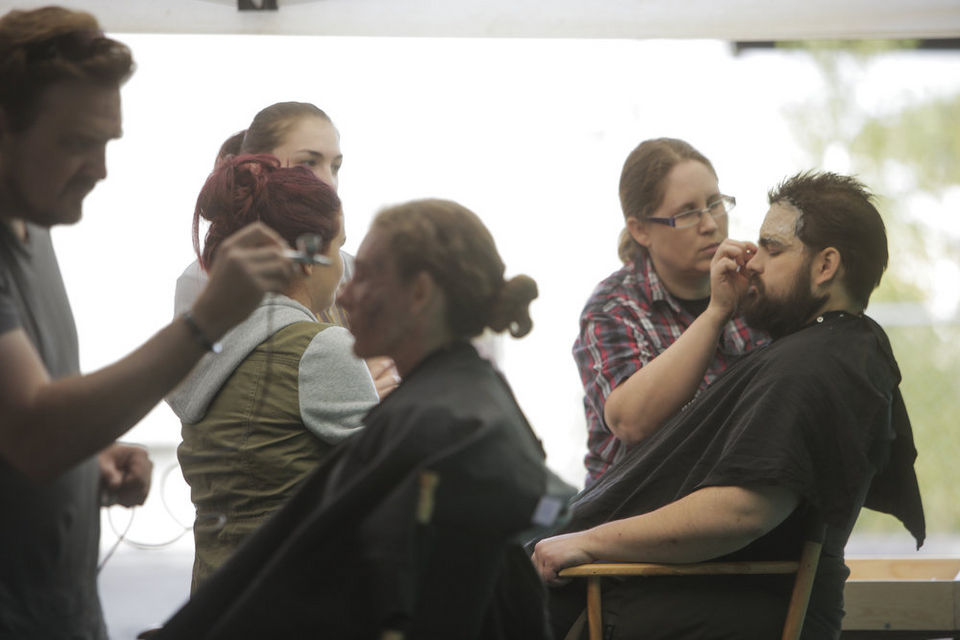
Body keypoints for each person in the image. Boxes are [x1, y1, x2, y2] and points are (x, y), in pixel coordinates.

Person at [0, 7, 298, 639]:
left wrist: (91, 462)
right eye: (76, 143)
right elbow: (34, 433)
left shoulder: (31, 227)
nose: (100, 169)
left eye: (107, 143)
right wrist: (206, 319)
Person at [152, 199, 572, 639]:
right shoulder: (452, 404)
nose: (345, 294)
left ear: (420, 294)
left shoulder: (443, 425)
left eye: (367, 275)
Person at [532, 171, 926, 639]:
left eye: (773, 248)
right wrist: (718, 310)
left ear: (825, 267)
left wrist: (588, 543)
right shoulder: (814, 348)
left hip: (657, 605)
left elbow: (743, 510)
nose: (752, 261)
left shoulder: (816, 362)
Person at [168, 154, 379, 592]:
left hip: (215, 601)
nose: (343, 266)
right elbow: (391, 484)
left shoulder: (194, 347)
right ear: (306, 259)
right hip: (297, 606)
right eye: (338, 246)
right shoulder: (320, 347)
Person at [574, 138, 768, 486]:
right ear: (640, 230)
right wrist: (716, 313)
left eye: (715, 204)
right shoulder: (614, 307)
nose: (709, 224)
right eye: (687, 213)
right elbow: (630, 421)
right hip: (627, 516)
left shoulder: (756, 287)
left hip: (729, 501)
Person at [172, 102, 400, 397]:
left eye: (336, 167)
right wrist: (353, 390)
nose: (329, 182)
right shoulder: (204, 277)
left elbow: (393, 373)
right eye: (308, 163)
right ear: (255, 168)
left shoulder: (349, 269)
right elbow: (197, 400)